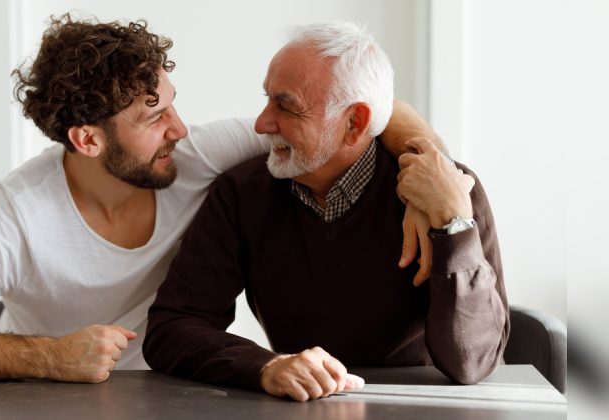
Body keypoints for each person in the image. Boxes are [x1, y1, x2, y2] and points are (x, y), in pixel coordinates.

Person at [0, 15, 445, 383]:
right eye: (153, 115)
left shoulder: (195, 156)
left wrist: (427, 175)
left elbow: (367, 113)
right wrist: (47, 359)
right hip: (54, 402)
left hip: (182, 390)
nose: (181, 129)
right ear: (87, 140)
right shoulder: (17, 215)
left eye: (172, 102)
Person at [143, 22, 509, 402]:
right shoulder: (241, 194)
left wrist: (453, 226)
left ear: (355, 122)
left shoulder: (450, 193)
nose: (261, 123)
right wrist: (265, 366)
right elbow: (173, 326)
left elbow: (472, 363)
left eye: (286, 105)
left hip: (419, 407)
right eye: (267, 99)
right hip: (299, 407)